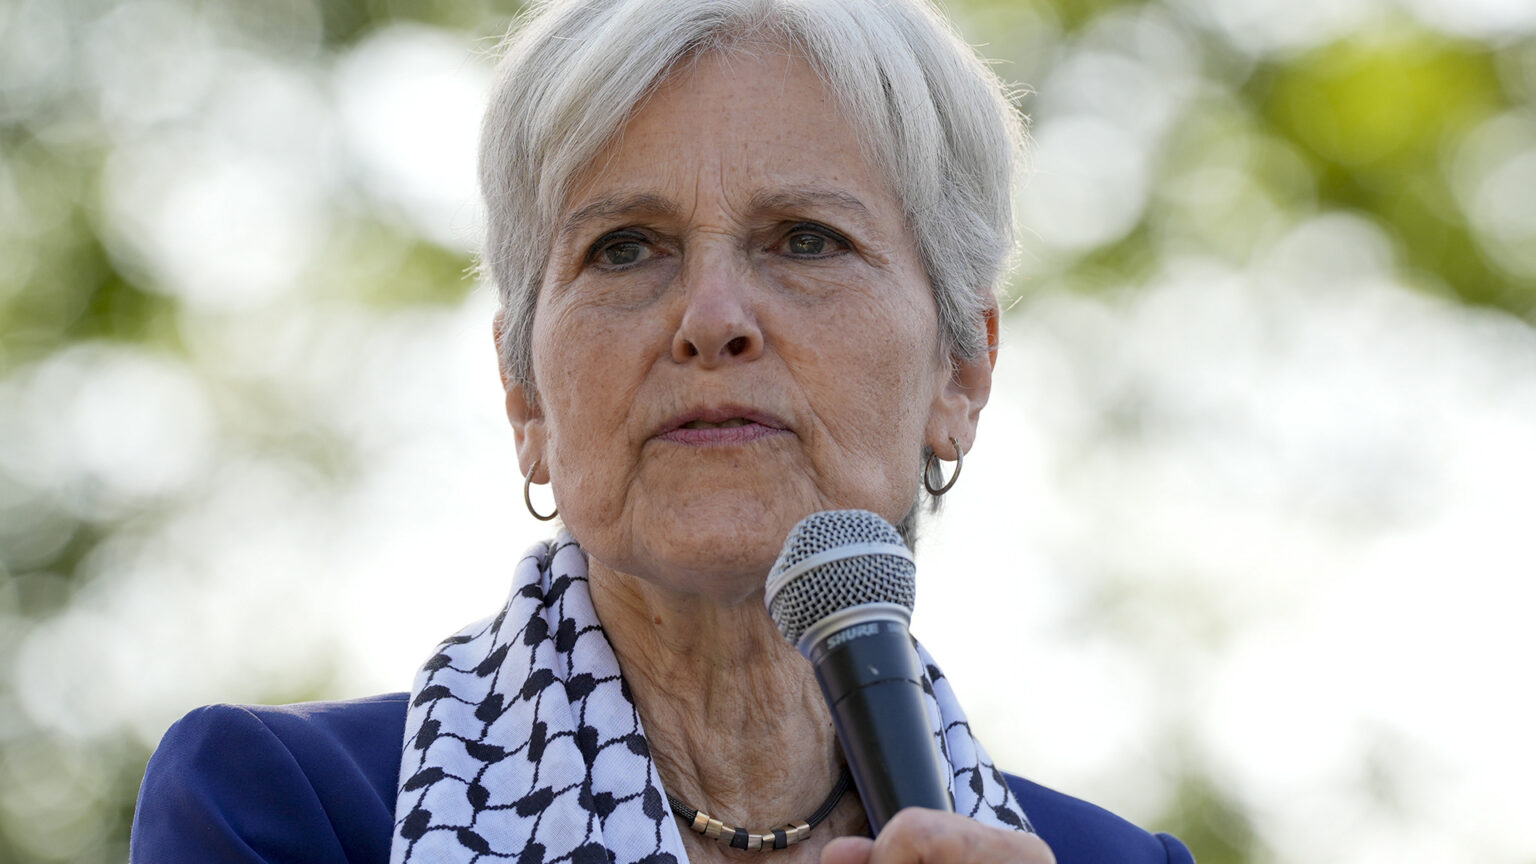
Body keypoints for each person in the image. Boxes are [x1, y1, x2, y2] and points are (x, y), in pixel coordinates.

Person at [131, 1, 1196, 862]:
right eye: (628, 248)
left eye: (806, 241)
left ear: (960, 373)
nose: (713, 320)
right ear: (527, 400)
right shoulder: (284, 813)